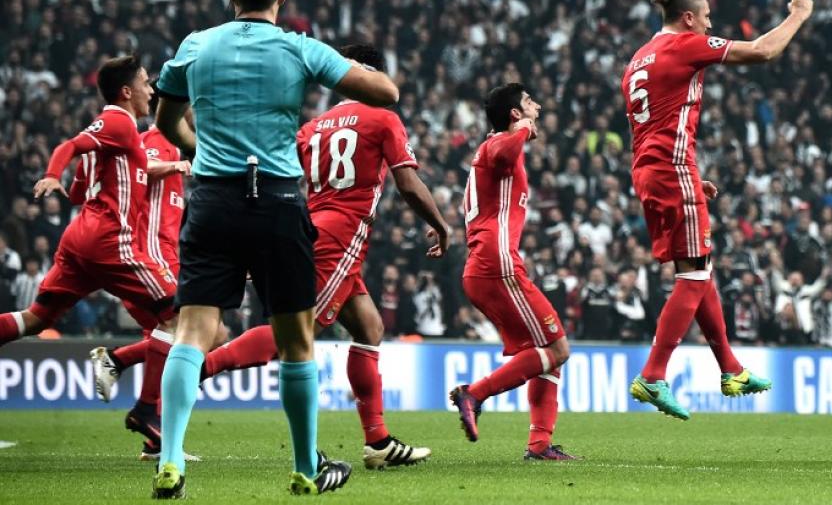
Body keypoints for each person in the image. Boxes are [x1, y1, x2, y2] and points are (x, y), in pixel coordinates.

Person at [150, 0, 398, 498]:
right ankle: (306, 469)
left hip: (212, 199)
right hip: (280, 202)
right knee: (296, 341)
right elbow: (387, 93)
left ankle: (170, 461)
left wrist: (198, 145)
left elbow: (165, 119)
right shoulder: (300, 48)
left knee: (190, 333)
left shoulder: (197, 44)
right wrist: (332, 72)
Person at [196, 43, 448, 470]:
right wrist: (441, 224)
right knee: (294, 333)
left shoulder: (312, 128)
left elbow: (276, 176)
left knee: (369, 325)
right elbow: (406, 183)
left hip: (309, 227)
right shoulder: (383, 116)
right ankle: (194, 371)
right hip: (342, 236)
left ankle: (379, 442)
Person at [624, 0, 813, 419]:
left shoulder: (639, 57)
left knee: (700, 269)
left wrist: (688, 177)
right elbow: (764, 51)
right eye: (706, 16)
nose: (711, 23)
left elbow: (656, 124)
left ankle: (731, 369)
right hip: (671, 171)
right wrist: (799, 14)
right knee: (692, 277)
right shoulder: (686, 44)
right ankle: (652, 375)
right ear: (689, 18)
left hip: (651, 170)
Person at [0, 55, 184, 444]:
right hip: (110, 241)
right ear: (127, 91)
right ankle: (147, 410)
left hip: (80, 241)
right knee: (176, 316)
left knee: (35, 319)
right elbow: (71, 144)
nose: (152, 91)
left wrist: (83, 178)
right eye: (146, 83)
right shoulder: (118, 121)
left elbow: (81, 190)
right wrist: (51, 174)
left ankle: (143, 403)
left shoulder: (119, 138)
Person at [84, 120, 227, 461]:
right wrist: (175, 164)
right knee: (202, 331)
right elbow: (138, 168)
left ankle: (155, 439)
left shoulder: (177, 145)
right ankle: (127, 377)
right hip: (151, 255)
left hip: (167, 253)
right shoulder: (155, 140)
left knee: (178, 341)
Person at [449, 83, 577, 461]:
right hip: (497, 264)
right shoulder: (497, 145)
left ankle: (539, 445)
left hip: (486, 265)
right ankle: (475, 393)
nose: (538, 105)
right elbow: (504, 150)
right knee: (557, 348)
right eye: (528, 102)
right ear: (514, 114)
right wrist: (520, 131)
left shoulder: (489, 151)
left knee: (544, 352)